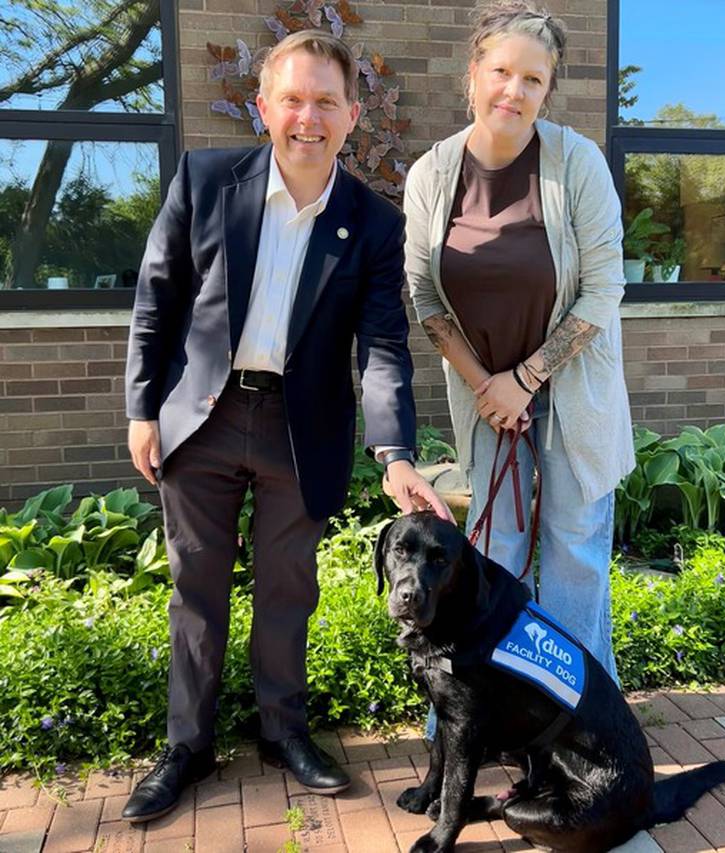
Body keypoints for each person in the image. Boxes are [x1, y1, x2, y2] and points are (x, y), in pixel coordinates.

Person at [122, 30, 449, 823]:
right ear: (264, 106)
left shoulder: (373, 223)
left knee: (287, 590)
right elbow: (157, 299)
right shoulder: (204, 180)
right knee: (194, 592)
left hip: (299, 430)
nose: (309, 117)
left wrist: (395, 451)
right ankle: (186, 747)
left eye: (326, 102)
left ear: (352, 114)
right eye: (293, 99)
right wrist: (140, 407)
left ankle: (283, 732)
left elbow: (380, 343)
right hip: (200, 417)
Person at [404, 0, 634, 703]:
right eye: (501, 71)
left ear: (548, 88)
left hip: (572, 393)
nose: (515, 90)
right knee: (491, 553)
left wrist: (525, 379)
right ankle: (484, 708)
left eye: (533, 80)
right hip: (485, 401)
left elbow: (603, 289)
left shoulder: (577, 163)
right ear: (473, 74)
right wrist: (488, 388)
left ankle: (576, 712)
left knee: (573, 559)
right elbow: (426, 298)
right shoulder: (431, 175)